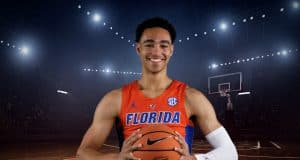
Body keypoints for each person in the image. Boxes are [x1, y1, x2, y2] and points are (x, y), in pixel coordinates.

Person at [76, 17, 238, 160]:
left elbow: (230, 152)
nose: (156, 51)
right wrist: (117, 158)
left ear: (171, 50)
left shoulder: (191, 97)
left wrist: (194, 159)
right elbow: (84, 152)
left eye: (163, 45)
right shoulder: (115, 99)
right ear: (138, 48)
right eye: (149, 44)